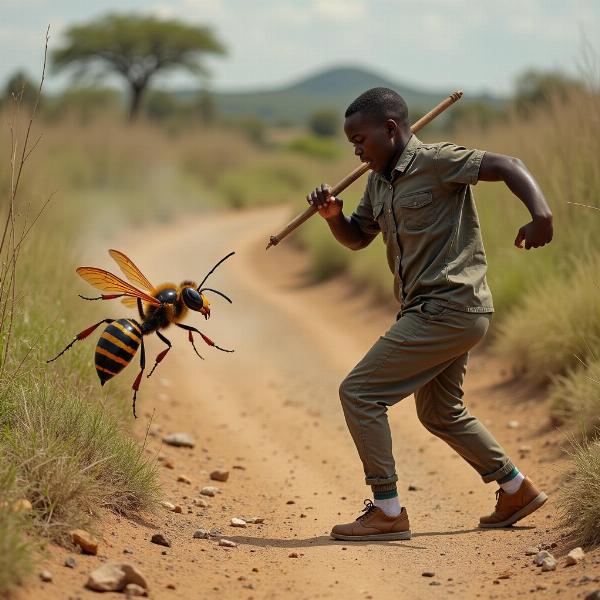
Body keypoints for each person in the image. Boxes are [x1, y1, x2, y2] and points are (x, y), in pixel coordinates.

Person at [306, 87, 553, 541]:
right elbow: (358, 237)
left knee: (359, 393)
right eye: (351, 144)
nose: (357, 151)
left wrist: (541, 215)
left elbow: (508, 165)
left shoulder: (437, 162)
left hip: (449, 306)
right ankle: (515, 488)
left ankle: (386, 509)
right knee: (441, 412)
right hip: (431, 311)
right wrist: (332, 216)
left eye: (361, 140)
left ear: (391, 129)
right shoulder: (378, 182)